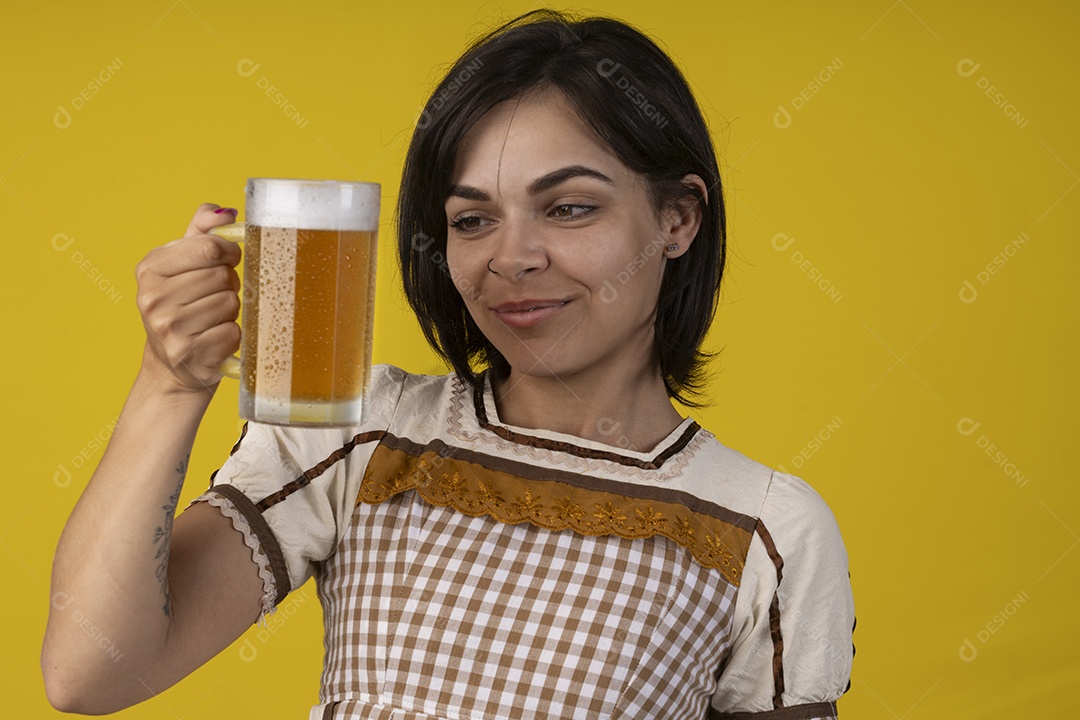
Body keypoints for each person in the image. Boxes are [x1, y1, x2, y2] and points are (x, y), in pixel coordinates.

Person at [42, 10, 854, 719]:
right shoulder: (362, 435)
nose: (513, 258)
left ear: (678, 219)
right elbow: (92, 673)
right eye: (472, 219)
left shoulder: (766, 531)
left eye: (569, 207)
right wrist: (170, 381)